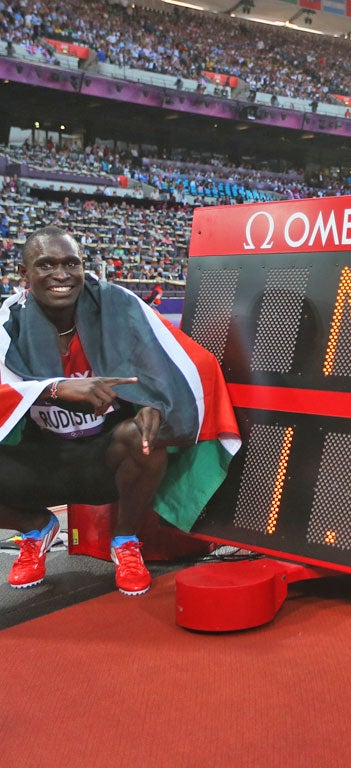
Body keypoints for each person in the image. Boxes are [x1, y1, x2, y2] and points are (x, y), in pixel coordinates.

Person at [0, 226, 240, 595]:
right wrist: (56, 389)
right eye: (46, 264)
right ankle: (34, 527)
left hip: (104, 456)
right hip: (39, 459)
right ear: (25, 274)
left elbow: (186, 365)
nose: (61, 274)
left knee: (145, 437)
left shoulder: (118, 305)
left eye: (71, 263)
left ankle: (125, 541)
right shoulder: (8, 319)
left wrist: (153, 405)